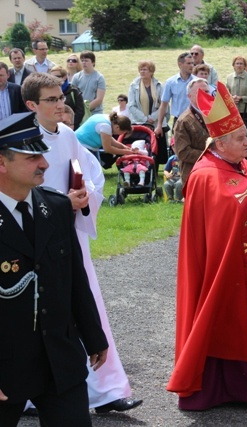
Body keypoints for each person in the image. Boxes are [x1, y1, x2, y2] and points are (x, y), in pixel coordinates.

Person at [167, 82, 247, 415]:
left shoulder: (238, 164)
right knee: (243, 323)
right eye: (241, 138)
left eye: (246, 136)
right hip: (225, 268)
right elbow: (234, 209)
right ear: (220, 142)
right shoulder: (206, 174)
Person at [22, 73, 143, 413]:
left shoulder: (68, 135)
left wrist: (83, 197)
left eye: (61, 97)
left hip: (70, 235)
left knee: (87, 306)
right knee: (36, 314)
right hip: (34, 238)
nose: (61, 104)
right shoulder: (21, 140)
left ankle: (106, 390)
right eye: (51, 100)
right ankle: (31, 393)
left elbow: (88, 174)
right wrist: (65, 201)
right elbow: (19, 189)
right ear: (32, 105)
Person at [0, 111, 108, 427]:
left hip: (59, 360)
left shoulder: (56, 206)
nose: (44, 164)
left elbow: (73, 276)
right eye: (31, 157)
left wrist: (93, 334)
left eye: (42, 155)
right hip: (7, 366)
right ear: (2, 163)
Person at [127, 60, 169, 165]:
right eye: (140, 69)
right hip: (139, 122)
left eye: (145, 70)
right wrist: (145, 119)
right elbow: (131, 105)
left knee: (158, 148)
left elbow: (164, 104)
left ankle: (155, 168)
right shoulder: (133, 86)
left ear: (151, 72)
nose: (142, 72)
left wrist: (153, 117)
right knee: (141, 146)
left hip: (156, 123)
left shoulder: (159, 85)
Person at [172, 78, 211, 187]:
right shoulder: (183, 121)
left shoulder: (214, 115)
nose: (204, 94)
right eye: (199, 91)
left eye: (207, 91)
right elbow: (183, 153)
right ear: (189, 96)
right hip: (194, 175)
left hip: (214, 173)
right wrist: (210, 156)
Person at [155, 52, 195, 137]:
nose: (191, 66)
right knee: (178, 148)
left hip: (196, 120)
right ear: (180, 64)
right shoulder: (171, 82)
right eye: (188, 63)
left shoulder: (198, 82)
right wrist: (159, 125)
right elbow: (164, 105)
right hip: (179, 120)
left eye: (192, 63)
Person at [71, 51, 106, 115]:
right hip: (79, 112)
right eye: (82, 60)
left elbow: (99, 99)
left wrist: (85, 109)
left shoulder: (99, 77)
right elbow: (72, 95)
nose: (84, 63)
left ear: (93, 62)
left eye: (86, 61)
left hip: (95, 113)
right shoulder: (76, 77)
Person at [226, 55, 247, 122]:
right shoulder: (229, 78)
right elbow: (225, 94)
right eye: (237, 63)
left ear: (245, 66)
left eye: (241, 63)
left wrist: (242, 98)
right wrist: (231, 98)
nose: (239, 65)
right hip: (232, 111)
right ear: (233, 65)